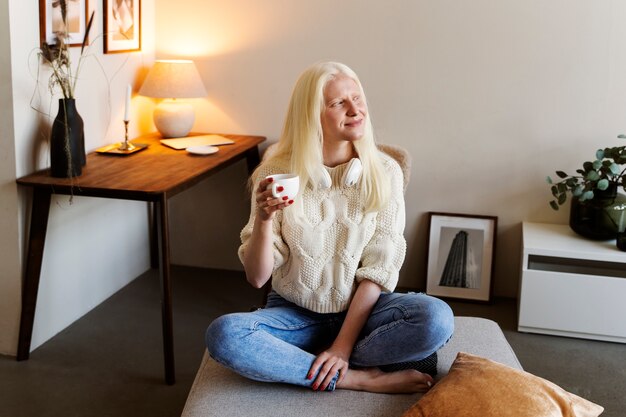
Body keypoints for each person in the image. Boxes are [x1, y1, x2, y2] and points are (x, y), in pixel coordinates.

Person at [205, 61, 454, 394]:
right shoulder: (277, 173)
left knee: (436, 318)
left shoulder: (385, 172)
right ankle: (356, 377)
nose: (356, 109)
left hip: (364, 313)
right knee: (224, 335)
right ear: (311, 115)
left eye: (357, 97)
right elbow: (257, 277)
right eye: (339, 103)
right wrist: (264, 220)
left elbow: (378, 271)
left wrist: (342, 347)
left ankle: (307, 362)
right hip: (294, 314)